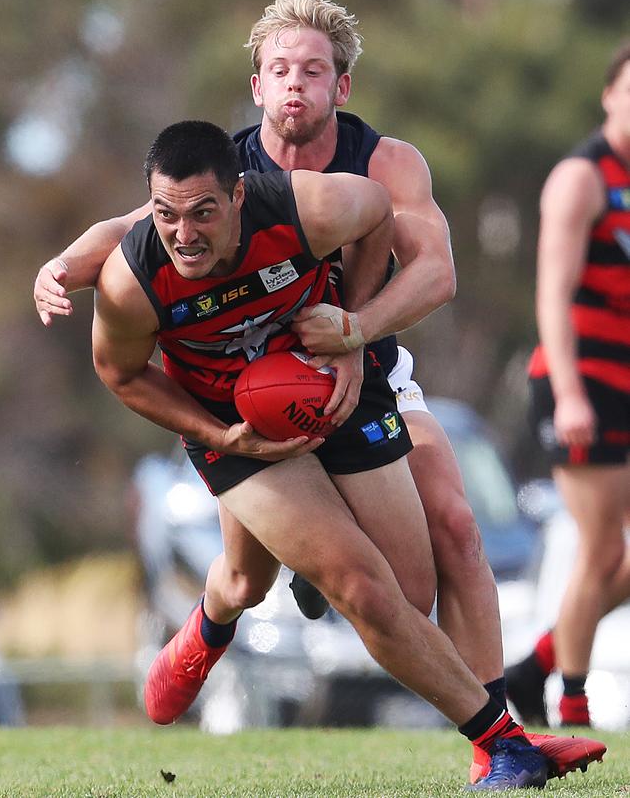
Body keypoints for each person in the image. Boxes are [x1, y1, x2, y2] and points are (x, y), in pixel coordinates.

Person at [33, 0, 605, 785]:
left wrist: (355, 333)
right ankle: (217, 617)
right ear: (256, 86)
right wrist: (59, 265)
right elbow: (129, 240)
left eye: (312, 70)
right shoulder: (219, 178)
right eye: (278, 70)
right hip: (244, 394)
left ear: (342, 87)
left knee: (448, 541)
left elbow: (435, 270)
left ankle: (491, 741)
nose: (294, 84)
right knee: (271, 576)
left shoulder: (376, 166)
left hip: (360, 364)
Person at [95, 118, 556, 791]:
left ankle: (297, 567)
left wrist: (353, 333)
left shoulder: (303, 204)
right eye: (167, 214)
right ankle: (505, 744)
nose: (184, 235)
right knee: (345, 584)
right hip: (234, 425)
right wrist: (218, 435)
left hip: (323, 378)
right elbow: (120, 370)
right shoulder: (133, 277)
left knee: (409, 591)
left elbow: (376, 216)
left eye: (203, 213)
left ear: (240, 197)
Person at [506, 42, 630, 728]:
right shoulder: (581, 178)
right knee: (604, 549)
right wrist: (574, 391)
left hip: (628, 378)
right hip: (579, 382)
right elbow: (551, 295)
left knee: (612, 554)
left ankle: (536, 665)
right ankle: (572, 703)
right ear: (609, 95)